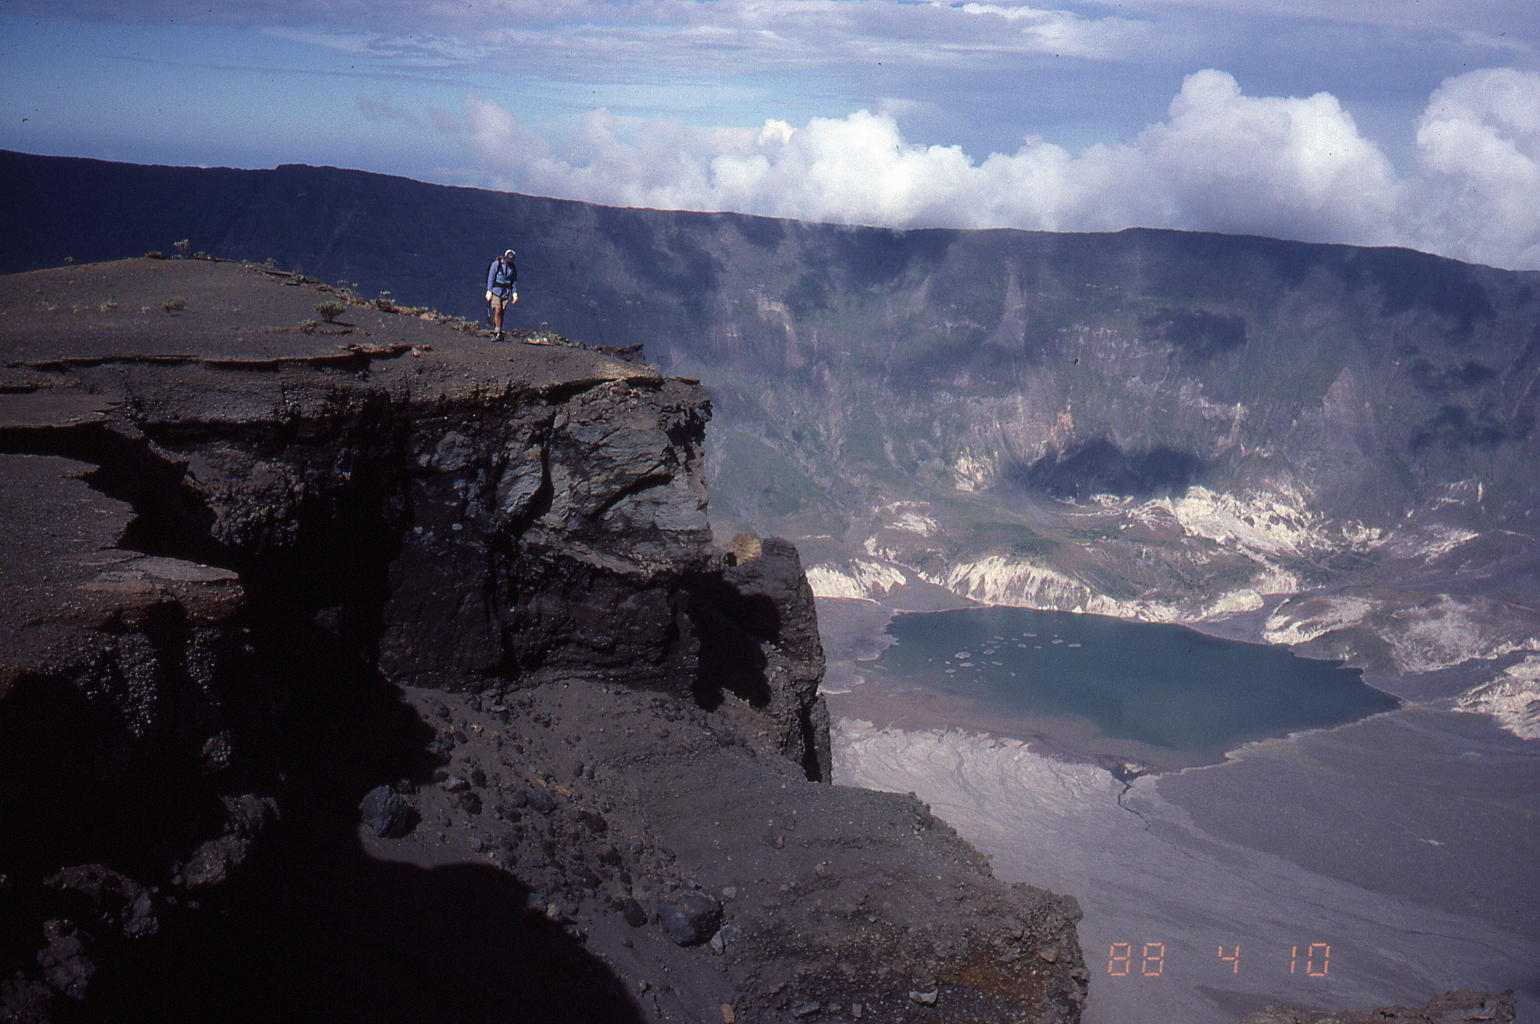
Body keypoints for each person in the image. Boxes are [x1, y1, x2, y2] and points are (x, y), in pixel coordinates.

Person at [485, 249, 518, 341]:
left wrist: (514, 293)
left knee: (502, 311)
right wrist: (489, 291)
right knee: (497, 309)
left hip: (506, 291)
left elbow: (514, 280)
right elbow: (491, 277)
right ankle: (497, 331)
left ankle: (499, 329)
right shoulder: (496, 264)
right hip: (496, 290)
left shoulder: (513, 267)